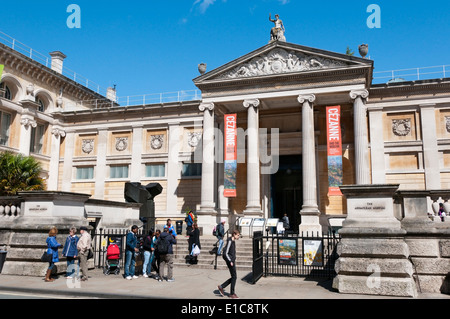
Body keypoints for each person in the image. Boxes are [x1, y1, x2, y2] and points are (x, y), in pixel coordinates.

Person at [218, 229, 240, 299]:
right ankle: (231, 293)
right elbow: (226, 253)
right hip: (230, 261)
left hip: (232, 260)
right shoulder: (230, 241)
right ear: (234, 234)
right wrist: (230, 261)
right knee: (234, 276)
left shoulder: (233, 241)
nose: (238, 236)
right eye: (238, 235)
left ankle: (222, 287)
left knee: (234, 277)